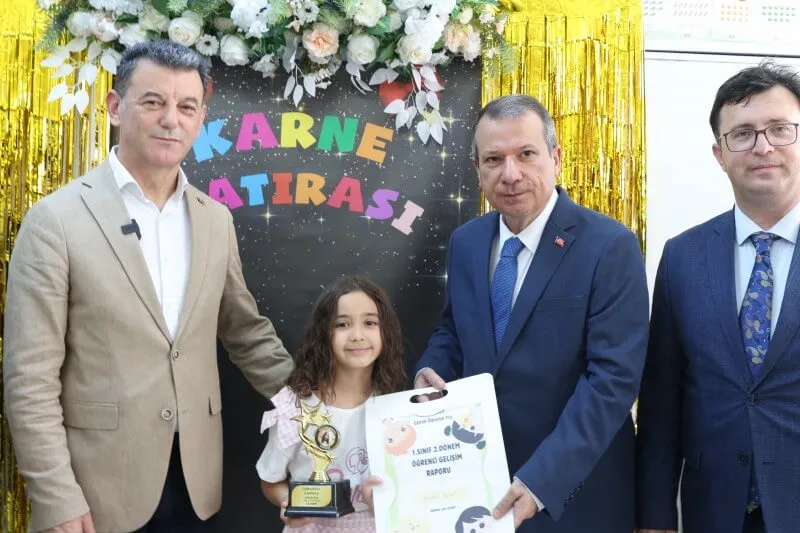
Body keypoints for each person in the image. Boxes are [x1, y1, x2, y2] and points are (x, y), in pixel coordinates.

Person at [2, 40, 294, 533]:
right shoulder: (55, 220)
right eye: (153, 102)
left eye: (187, 107)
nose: (171, 120)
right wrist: (55, 496)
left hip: (197, 487)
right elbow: (29, 378)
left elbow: (246, 333)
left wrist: (319, 408)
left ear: (201, 119)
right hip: (97, 493)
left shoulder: (215, 219)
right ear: (116, 107)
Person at [414, 94, 650, 532]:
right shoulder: (466, 242)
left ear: (555, 158)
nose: (511, 174)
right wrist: (432, 369)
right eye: (493, 159)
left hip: (573, 496)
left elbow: (612, 381)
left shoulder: (610, 245)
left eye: (526, 154)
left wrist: (542, 480)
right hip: (476, 489)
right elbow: (453, 330)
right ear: (477, 170)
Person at [636, 61, 800, 533]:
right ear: (720, 154)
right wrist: (655, 517)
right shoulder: (683, 257)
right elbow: (661, 402)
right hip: (714, 511)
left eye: (779, 129)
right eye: (742, 134)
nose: (763, 146)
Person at [257, 276, 406, 532]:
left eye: (370, 323)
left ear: (386, 332)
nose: (357, 335)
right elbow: (270, 481)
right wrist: (289, 504)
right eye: (343, 324)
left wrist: (387, 499)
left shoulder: (396, 409)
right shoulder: (295, 408)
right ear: (323, 333)